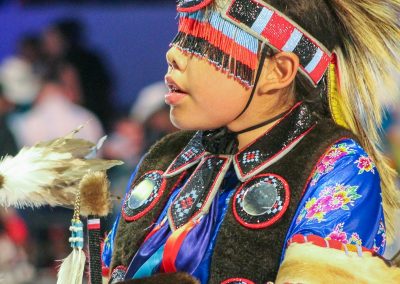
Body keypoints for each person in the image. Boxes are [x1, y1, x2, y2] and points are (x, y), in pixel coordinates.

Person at [102, 0, 400, 283]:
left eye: (203, 43)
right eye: (182, 38)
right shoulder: (167, 159)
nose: (174, 55)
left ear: (278, 71)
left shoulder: (335, 166)